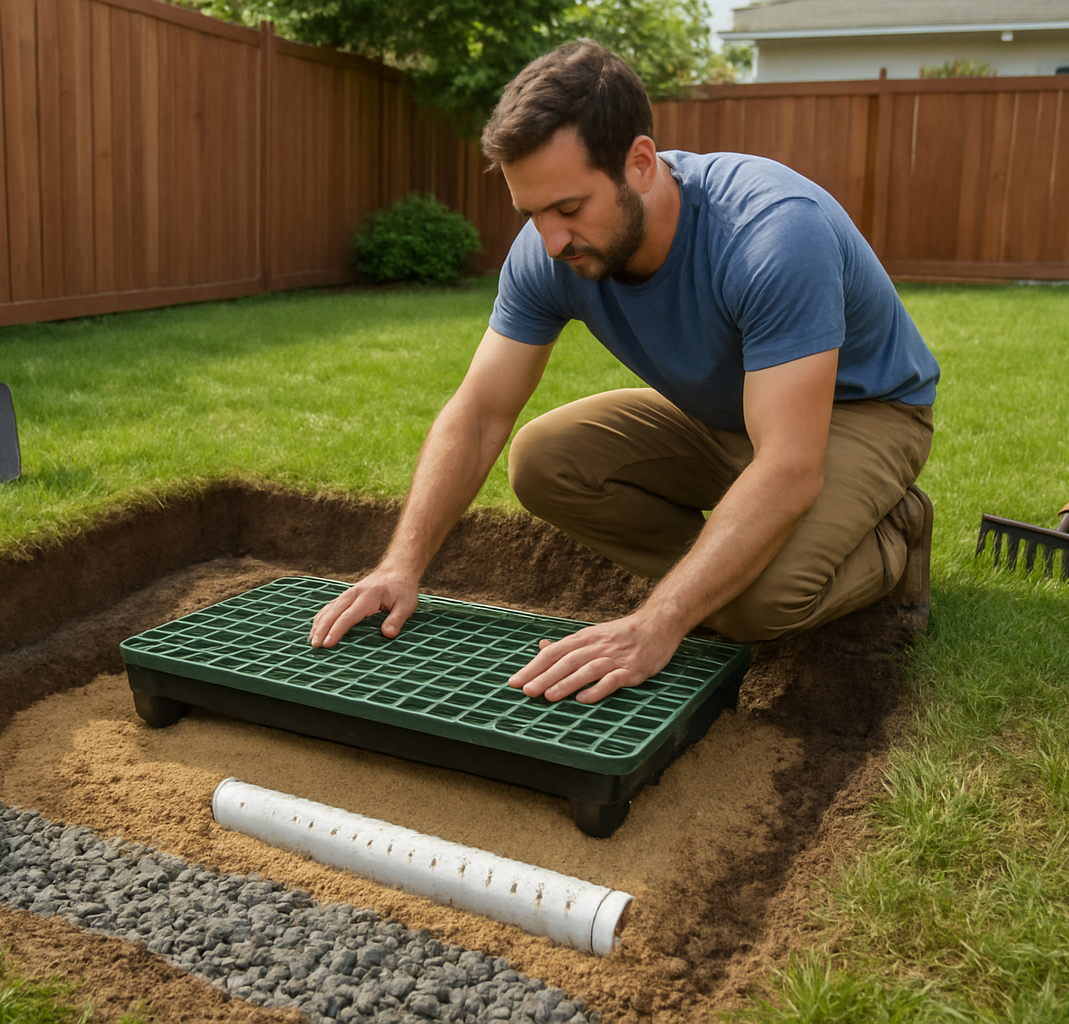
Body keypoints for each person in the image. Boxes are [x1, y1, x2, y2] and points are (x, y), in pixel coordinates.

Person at [309, 39, 939, 705]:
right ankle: (737, 555)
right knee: (544, 460)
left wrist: (658, 621)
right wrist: (400, 565)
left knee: (751, 608)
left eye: (570, 208)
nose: (551, 240)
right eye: (532, 213)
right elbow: (480, 412)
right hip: (725, 413)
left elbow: (788, 464)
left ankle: (893, 532)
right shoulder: (549, 252)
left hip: (863, 414)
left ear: (640, 163)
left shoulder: (773, 233)